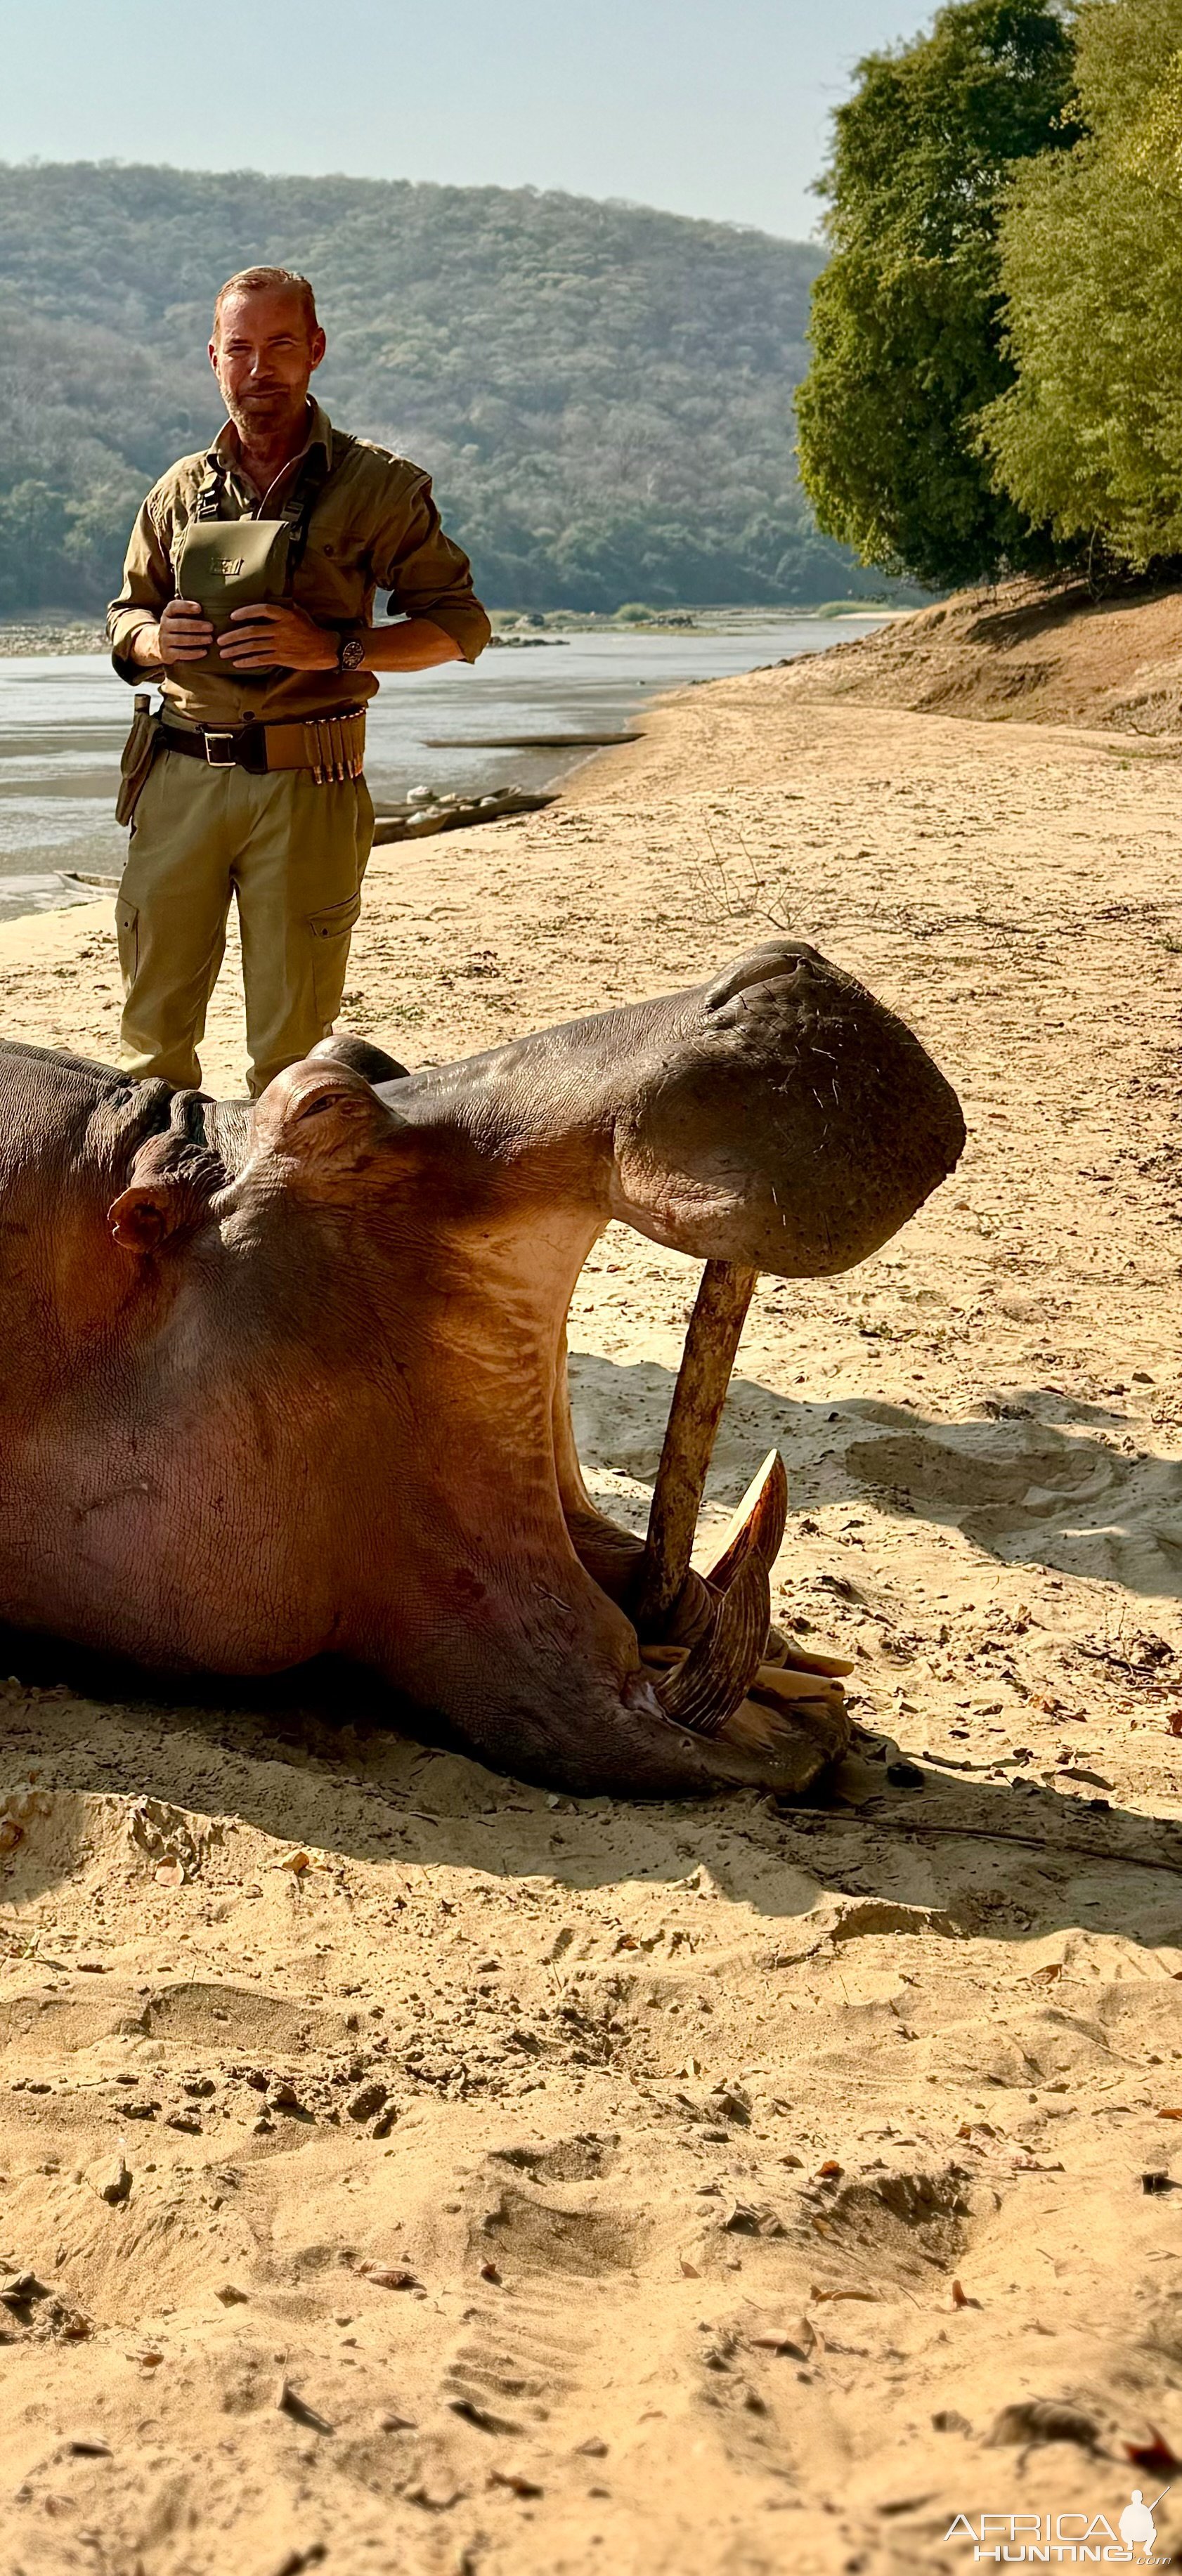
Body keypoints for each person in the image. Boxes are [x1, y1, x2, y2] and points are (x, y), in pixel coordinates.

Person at [107, 265, 490, 1096]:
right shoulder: (177, 490)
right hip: (175, 780)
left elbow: (460, 628)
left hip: (308, 781)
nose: (259, 368)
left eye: (280, 345)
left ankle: (274, 1220)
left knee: (291, 1060)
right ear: (213, 358)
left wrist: (338, 651)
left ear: (314, 350)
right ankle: (159, 1213)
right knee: (150, 1050)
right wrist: (152, 640)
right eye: (239, 349)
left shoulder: (380, 487)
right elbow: (123, 618)